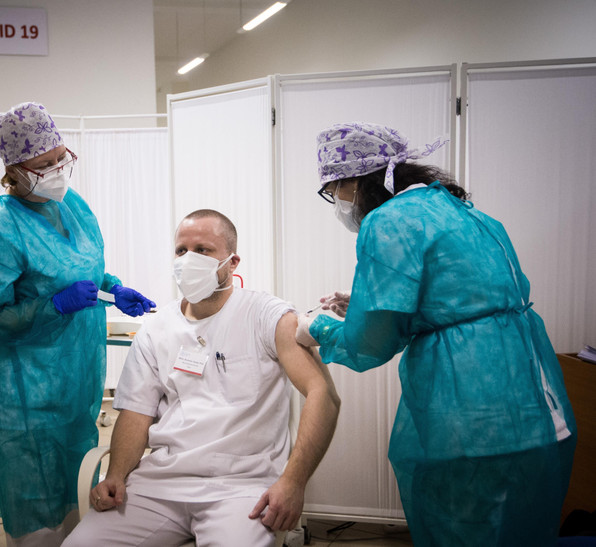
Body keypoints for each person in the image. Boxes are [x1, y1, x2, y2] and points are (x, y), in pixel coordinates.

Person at [296, 122, 577, 546]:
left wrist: (316, 327)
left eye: (333, 191)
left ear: (353, 180)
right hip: (536, 403)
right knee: (522, 527)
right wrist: (365, 301)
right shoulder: (462, 210)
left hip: (473, 411)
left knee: (464, 526)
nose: (336, 202)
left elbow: (373, 343)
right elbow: (462, 295)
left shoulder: (388, 221)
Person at [63, 209, 341, 547]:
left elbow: (323, 395)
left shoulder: (264, 314)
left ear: (232, 262)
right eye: (181, 250)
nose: (188, 259)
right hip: (160, 485)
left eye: (203, 250)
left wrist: (294, 482)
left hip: (241, 488)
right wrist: (118, 474)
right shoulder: (156, 329)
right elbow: (136, 412)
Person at [0, 101, 155, 547]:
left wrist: (113, 289)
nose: (56, 171)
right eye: (43, 165)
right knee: (36, 525)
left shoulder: (72, 206)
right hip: (22, 394)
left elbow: (81, 271)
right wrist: (52, 307)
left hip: (74, 385)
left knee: (75, 504)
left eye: (60, 158)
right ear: (15, 170)